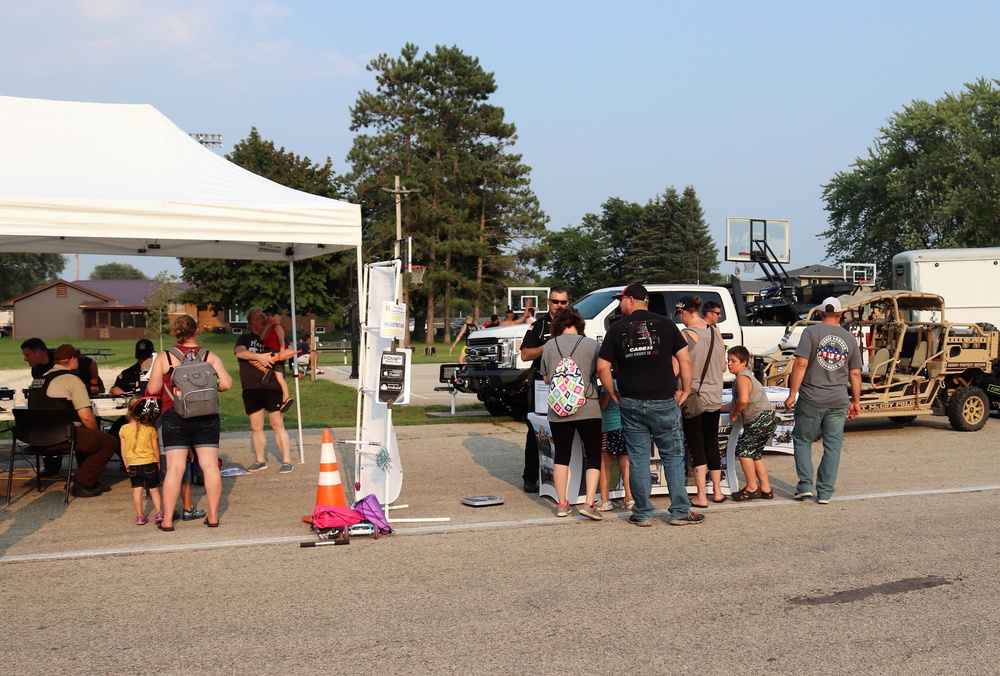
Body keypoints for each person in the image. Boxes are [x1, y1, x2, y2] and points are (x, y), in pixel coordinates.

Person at [596, 283, 702, 527]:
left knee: (639, 458)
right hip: (664, 400)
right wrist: (685, 389)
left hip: (631, 401)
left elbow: (602, 367)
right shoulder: (667, 324)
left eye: (621, 300)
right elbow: (684, 359)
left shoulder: (616, 329)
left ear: (631, 300)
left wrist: (612, 393)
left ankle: (643, 514)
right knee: (673, 458)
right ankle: (680, 512)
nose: (620, 304)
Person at [146, 315, 233, 530]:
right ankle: (213, 516)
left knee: (175, 468)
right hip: (206, 415)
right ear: (197, 331)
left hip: (175, 414)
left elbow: (153, 389)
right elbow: (227, 384)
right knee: (210, 465)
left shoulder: (165, 357)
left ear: (175, 333)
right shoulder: (208, 355)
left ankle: (167, 520)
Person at [784, 296, 862, 504]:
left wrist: (792, 393)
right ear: (840, 314)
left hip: (812, 397)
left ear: (820, 313)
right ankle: (825, 492)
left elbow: (800, 363)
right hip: (838, 400)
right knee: (833, 445)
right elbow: (855, 373)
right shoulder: (849, 338)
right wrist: (856, 401)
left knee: (802, 440)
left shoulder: (811, 332)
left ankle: (805, 486)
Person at [25, 343, 118, 498]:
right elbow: (86, 416)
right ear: (73, 359)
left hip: (35, 438)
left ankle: (89, 478)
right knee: (108, 441)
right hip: (61, 437)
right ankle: (83, 483)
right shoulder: (72, 380)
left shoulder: (38, 380)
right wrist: (96, 435)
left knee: (86, 438)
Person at [540, 307, 603, 520]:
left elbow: (547, 378)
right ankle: (588, 502)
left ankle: (562, 503)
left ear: (557, 325)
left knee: (562, 456)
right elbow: (600, 372)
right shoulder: (592, 345)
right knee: (594, 454)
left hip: (558, 410)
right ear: (580, 324)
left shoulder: (549, 345)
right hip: (588, 407)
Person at [675, 296, 726, 507]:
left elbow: (675, 368)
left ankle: (701, 496)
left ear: (684, 312)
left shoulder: (685, 334)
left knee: (696, 445)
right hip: (715, 395)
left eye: (680, 314)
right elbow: (723, 366)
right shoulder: (715, 331)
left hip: (693, 397)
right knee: (712, 443)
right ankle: (717, 491)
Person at [519, 287, 570, 492]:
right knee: (537, 430)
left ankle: (564, 476)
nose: (559, 306)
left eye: (563, 302)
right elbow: (525, 355)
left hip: (567, 383)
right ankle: (531, 476)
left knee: (566, 429)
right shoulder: (539, 326)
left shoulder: (573, 324)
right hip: (542, 383)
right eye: (555, 301)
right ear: (548, 302)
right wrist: (549, 345)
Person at [235, 307, 294, 475]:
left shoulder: (274, 332)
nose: (263, 320)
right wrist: (259, 357)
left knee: (277, 423)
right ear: (250, 322)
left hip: (272, 386)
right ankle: (260, 460)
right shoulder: (244, 338)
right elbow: (240, 353)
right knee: (256, 426)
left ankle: (287, 461)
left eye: (264, 317)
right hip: (251, 387)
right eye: (258, 318)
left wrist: (274, 356)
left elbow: (289, 350)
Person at [726, 346, 777, 501]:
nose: (729, 364)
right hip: (767, 417)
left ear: (743, 363)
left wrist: (734, 413)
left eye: (733, 361)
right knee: (755, 454)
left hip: (759, 417)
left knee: (743, 451)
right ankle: (766, 489)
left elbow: (743, 401)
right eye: (728, 360)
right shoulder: (741, 378)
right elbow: (734, 403)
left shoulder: (743, 378)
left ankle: (751, 488)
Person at [119, 397, 163, 526]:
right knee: (154, 488)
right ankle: (159, 513)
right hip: (149, 462)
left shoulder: (124, 429)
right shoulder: (150, 428)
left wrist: (126, 463)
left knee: (137, 489)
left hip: (133, 464)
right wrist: (158, 462)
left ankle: (140, 516)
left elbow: (122, 449)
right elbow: (155, 447)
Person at [596, 367, 632, 512]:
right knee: (626, 464)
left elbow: (602, 406)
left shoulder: (609, 384)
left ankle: (605, 499)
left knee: (605, 464)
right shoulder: (628, 381)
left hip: (609, 426)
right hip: (625, 426)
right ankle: (629, 497)